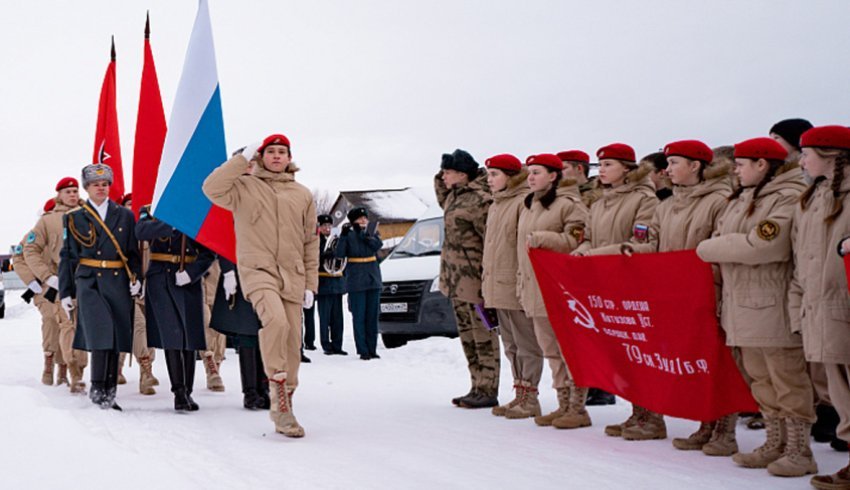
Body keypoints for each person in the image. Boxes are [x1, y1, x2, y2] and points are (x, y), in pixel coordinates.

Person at [697, 137, 815, 476]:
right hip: (741, 305)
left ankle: (799, 450)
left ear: (762, 165)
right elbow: (735, 242)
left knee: (788, 380)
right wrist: (723, 246)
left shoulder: (787, 197)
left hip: (773, 305)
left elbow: (764, 246)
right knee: (761, 380)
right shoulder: (743, 199)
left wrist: (709, 248)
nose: (735, 169)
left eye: (741, 163)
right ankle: (774, 442)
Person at [614, 140, 732, 442]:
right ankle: (700, 421)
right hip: (670, 294)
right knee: (680, 358)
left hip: (707, 293)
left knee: (713, 360)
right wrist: (632, 250)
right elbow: (653, 242)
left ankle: (723, 429)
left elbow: (720, 245)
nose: (667, 169)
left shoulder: (720, 200)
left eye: (675, 162)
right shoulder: (666, 205)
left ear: (696, 166)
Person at [203, 133, 318, 438]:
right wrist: (242, 158)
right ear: (261, 156)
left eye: (283, 152)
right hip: (258, 271)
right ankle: (278, 393)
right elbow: (210, 188)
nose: (277, 156)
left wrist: (311, 283)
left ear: (289, 157)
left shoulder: (302, 194)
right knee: (275, 322)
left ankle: (286, 400)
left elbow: (311, 241)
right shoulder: (243, 187)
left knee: (293, 341)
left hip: (292, 274)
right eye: (271, 152)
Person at [572, 144, 659, 425]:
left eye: (609, 164)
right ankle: (637, 413)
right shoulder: (599, 201)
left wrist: (596, 254)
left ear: (627, 168)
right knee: (620, 353)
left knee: (639, 353)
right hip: (602, 286)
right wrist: (582, 249)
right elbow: (589, 236)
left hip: (631, 286)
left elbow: (642, 243)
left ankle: (651, 415)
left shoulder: (644, 199)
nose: (603, 170)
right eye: (601, 165)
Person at [793, 125, 850, 488]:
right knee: (839, 390)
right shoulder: (814, 196)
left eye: (807, 153)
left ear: (830, 155)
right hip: (821, 306)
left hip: (842, 304)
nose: (801, 160)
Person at [58, 164, 141, 410]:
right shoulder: (74, 217)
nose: (101, 189)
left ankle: (110, 391)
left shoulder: (124, 215)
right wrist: (66, 291)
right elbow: (68, 256)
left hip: (117, 280)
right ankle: (97, 388)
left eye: (105, 184)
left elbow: (132, 253)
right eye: (95, 185)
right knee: (99, 334)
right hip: (89, 280)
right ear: (87, 188)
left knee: (115, 335)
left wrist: (137, 279)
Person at [516, 153, 588, 427]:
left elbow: (578, 239)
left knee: (568, 349)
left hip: (560, 289)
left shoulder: (569, 204)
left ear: (554, 176)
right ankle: (563, 403)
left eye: (537, 172)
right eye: (529, 172)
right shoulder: (529, 205)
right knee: (550, 350)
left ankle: (578, 407)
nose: (531, 177)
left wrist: (545, 239)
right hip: (534, 287)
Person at [435, 149, 499, 408]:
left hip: (475, 280)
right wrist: (442, 172)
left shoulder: (479, 200)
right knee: (468, 337)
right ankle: (476, 385)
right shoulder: (454, 197)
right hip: (456, 280)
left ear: (462, 174)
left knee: (483, 335)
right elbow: (440, 189)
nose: (443, 176)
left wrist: (489, 278)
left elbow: (490, 242)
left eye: (448, 171)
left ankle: (488, 387)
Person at [481, 154, 543, 419]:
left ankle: (531, 396)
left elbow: (521, 248)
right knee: (510, 344)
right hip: (497, 285)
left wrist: (522, 281)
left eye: (495, 174)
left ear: (511, 175)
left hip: (515, 284)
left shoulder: (522, 202)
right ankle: (519, 392)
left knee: (526, 343)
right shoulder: (496, 204)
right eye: (488, 175)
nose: (490, 180)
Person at [136, 207, 214, 412]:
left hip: (187, 278)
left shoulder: (194, 211)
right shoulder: (149, 210)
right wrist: (172, 222)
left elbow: (208, 251)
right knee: (173, 334)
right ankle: (178, 392)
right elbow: (141, 231)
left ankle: (188, 390)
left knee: (190, 336)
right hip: (160, 277)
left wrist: (192, 273)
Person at [22, 189, 71, 387]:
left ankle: (64, 368)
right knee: (51, 319)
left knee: (66, 325)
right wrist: (31, 281)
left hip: (64, 284)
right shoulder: (34, 234)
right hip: (43, 287)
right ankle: (49, 362)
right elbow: (20, 256)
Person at [209, 257, 269, 410]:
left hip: (265, 270)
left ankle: (264, 387)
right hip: (241, 270)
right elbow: (226, 240)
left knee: (265, 330)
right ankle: (250, 391)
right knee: (247, 332)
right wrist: (228, 271)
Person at [117, 193, 159, 395]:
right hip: (127, 287)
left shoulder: (150, 229)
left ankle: (145, 375)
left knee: (147, 328)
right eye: (128, 204)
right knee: (137, 326)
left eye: (135, 204)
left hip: (151, 287)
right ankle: (143, 367)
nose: (132, 208)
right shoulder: (119, 230)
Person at [335, 207, 383, 360]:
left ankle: (372, 348)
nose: (363, 220)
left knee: (372, 316)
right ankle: (363, 350)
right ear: (353, 220)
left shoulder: (372, 232)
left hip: (372, 277)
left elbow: (377, 245)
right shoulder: (349, 235)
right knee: (359, 316)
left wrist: (366, 236)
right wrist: (342, 236)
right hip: (356, 279)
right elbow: (339, 254)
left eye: (365, 218)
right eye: (360, 218)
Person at [316, 214, 347, 356]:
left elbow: (343, 257)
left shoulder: (336, 240)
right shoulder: (315, 241)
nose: (327, 228)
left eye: (329, 226)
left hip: (336, 283)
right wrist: (324, 255)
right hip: (323, 283)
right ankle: (326, 345)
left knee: (337, 318)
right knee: (325, 317)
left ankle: (337, 344)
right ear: (319, 227)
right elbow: (313, 259)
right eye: (324, 226)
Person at [201, 261, 228, 390]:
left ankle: (217, 363)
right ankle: (210, 364)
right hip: (198, 276)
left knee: (220, 327)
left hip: (221, 277)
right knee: (205, 324)